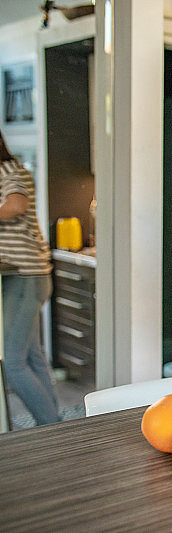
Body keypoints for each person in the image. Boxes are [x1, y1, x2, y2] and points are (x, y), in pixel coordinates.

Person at [0, 129, 60, 425]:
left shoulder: (8, 170)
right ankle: (55, 426)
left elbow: (16, 204)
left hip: (25, 277)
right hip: (29, 276)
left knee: (12, 364)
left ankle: (52, 428)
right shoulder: (11, 170)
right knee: (32, 357)